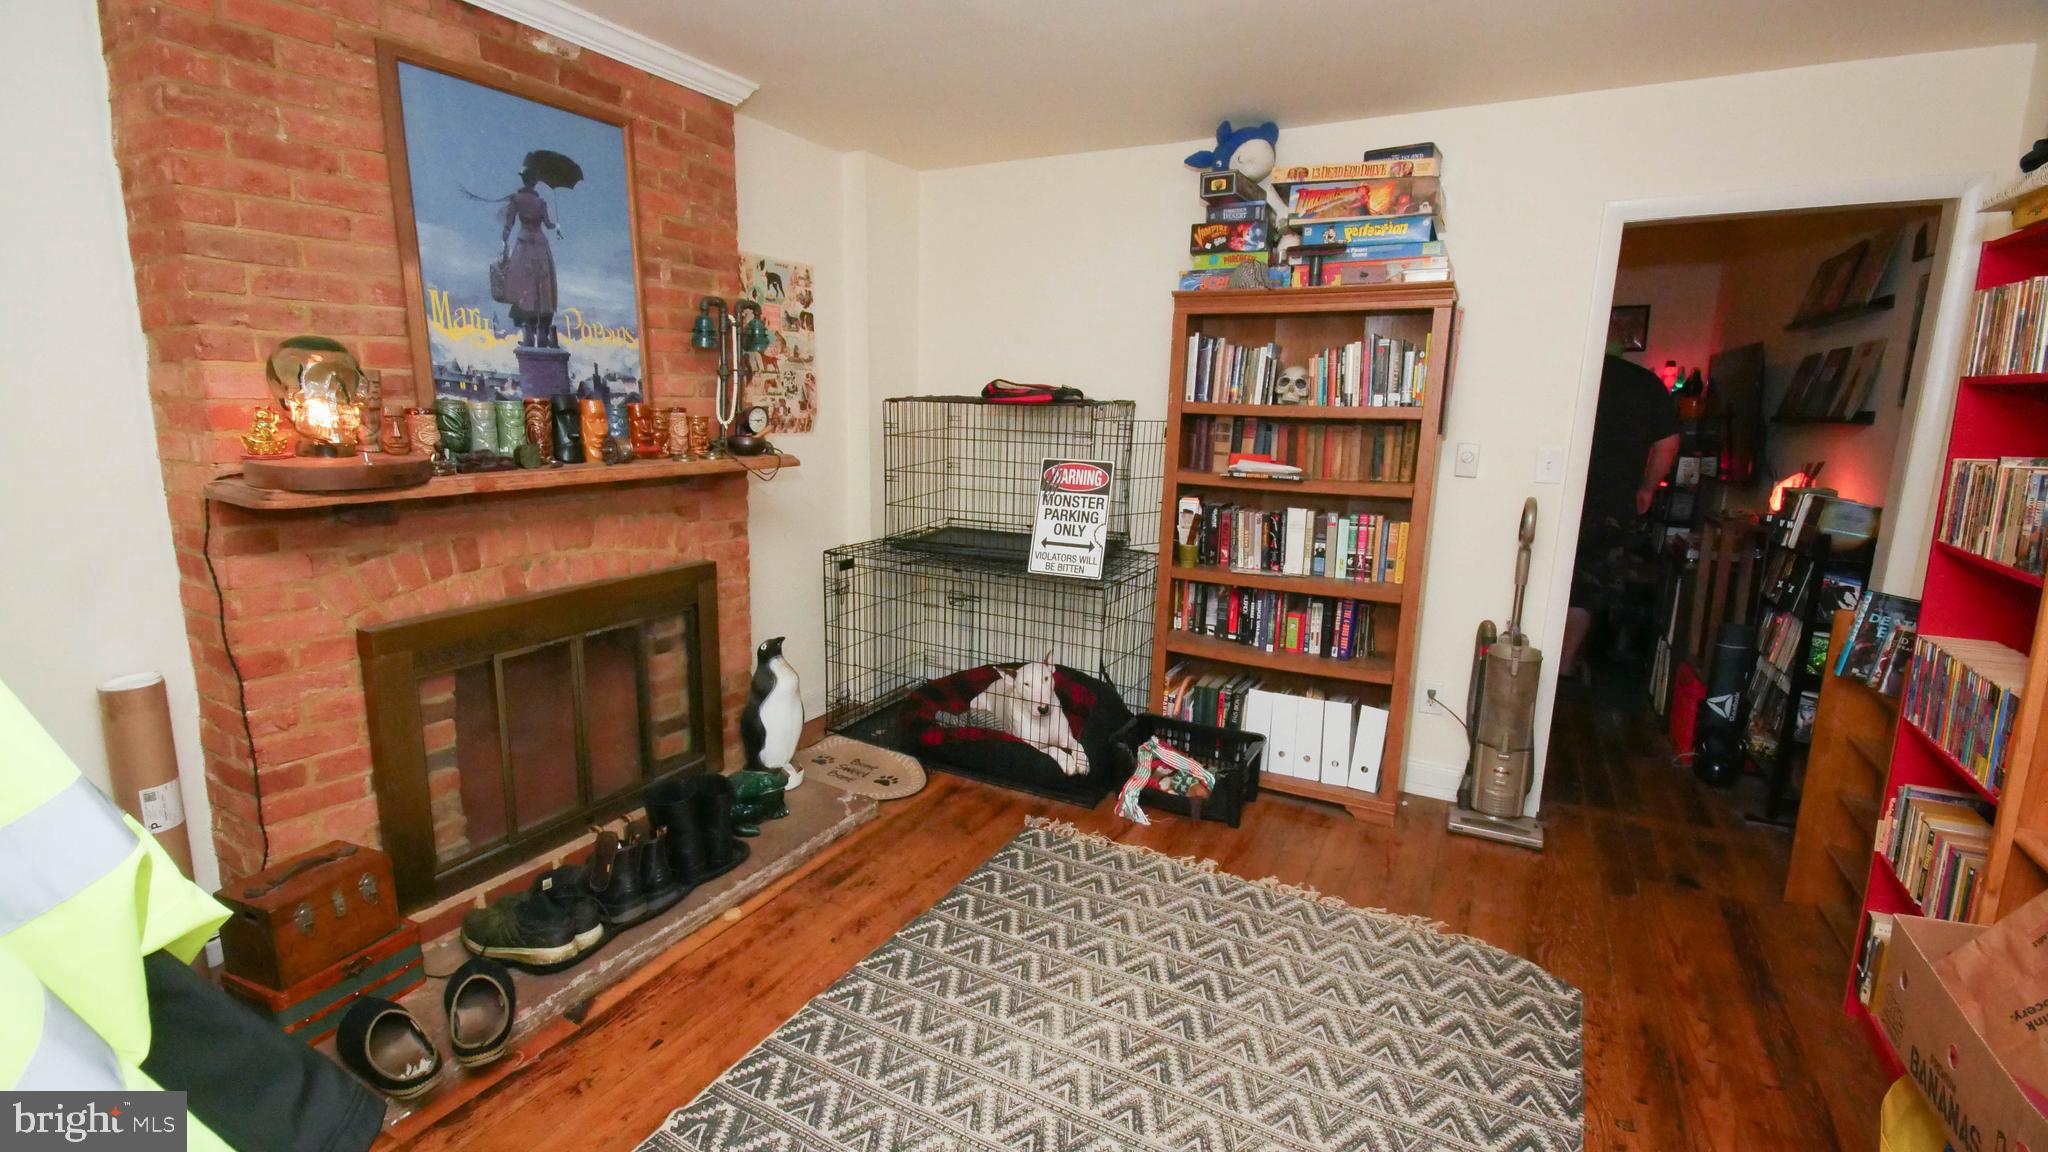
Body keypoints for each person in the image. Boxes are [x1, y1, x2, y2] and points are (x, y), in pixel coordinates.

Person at [1560, 353, 1682, 677]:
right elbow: (1668, 444)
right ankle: (1564, 662)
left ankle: (1544, 661)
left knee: (1551, 575)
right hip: (1613, 503)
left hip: (1559, 492)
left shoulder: (1568, 365)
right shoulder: (1644, 383)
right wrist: (1647, 487)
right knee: (1586, 587)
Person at [501, 167, 561, 348]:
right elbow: (548, 224)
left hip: (524, 246)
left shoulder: (516, 199)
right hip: (541, 248)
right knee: (542, 290)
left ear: (524, 181)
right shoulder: (541, 203)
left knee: (524, 291)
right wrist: (556, 226)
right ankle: (542, 336)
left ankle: (528, 335)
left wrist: (504, 245)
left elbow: (508, 225)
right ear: (534, 182)